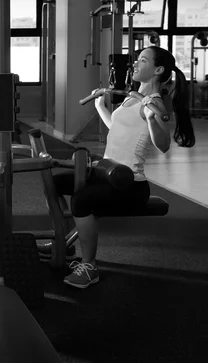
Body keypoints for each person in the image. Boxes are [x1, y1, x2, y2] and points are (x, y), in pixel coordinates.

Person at [60, 46, 195, 289]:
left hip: (129, 184)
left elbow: (163, 145)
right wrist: (101, 107)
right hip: (108, 173)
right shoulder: (133, 98)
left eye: (142, 60)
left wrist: (153, 120)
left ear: (158, 70)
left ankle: (89, 266)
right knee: (58, 181)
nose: (135, 64)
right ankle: (64, 241)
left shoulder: (153, 104)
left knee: (81, 200)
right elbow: (118, 129)